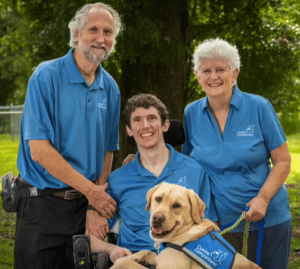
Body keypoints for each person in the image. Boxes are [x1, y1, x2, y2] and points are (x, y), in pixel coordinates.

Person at [15, 3, 122, 268]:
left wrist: (93, 206)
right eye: (93, 29)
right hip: (42, 205)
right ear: (76, 35)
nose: (101, 38)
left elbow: (108, 150)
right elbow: (39, 150)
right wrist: (93, 193)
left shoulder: (110, 87)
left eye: (108, 32)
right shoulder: (46, 76)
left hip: (82, 210)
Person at [182, 38, 292, 269]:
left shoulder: (259, 107)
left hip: (268, 220)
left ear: (235, 73)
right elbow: (189, 167)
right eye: (207, 71)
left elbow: (283, 161)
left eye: (221, 69)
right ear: (197, 76)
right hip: (218, 224)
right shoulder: (191, 113)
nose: (214, 77)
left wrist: (262, 200)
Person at [90, 93, 218, 263]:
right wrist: (111, 249)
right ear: (129, 130)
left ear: (165, 125)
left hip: (182, 260)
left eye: (152, 118)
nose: (145, 126)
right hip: (135, 261)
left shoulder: (195, 171)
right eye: (137, 120)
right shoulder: (118, 180)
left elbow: (207, 227)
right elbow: (89, 238)